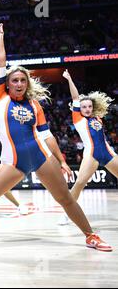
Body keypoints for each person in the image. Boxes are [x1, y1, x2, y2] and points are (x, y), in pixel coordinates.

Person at [0, 23, 111, 252]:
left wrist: (61, 161)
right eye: (15, 80)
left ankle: (91, 236)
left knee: (66, 199)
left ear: (27, 84)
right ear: (7, 84)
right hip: (13, 162)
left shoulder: (34, 105)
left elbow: (47, 136)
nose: (19, 83)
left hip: (42, 157)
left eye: (23, 80)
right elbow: (1, 63)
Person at [58, 69, 117, 225]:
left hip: (108, 153)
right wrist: (70, 79)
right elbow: (76, 97)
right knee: (79, 184)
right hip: (91, 155)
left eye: (89, 106)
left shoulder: (97, 117)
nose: (87, 109)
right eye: (84, 107)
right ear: (79, 108)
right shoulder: (78, 118)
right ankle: (67, 214)